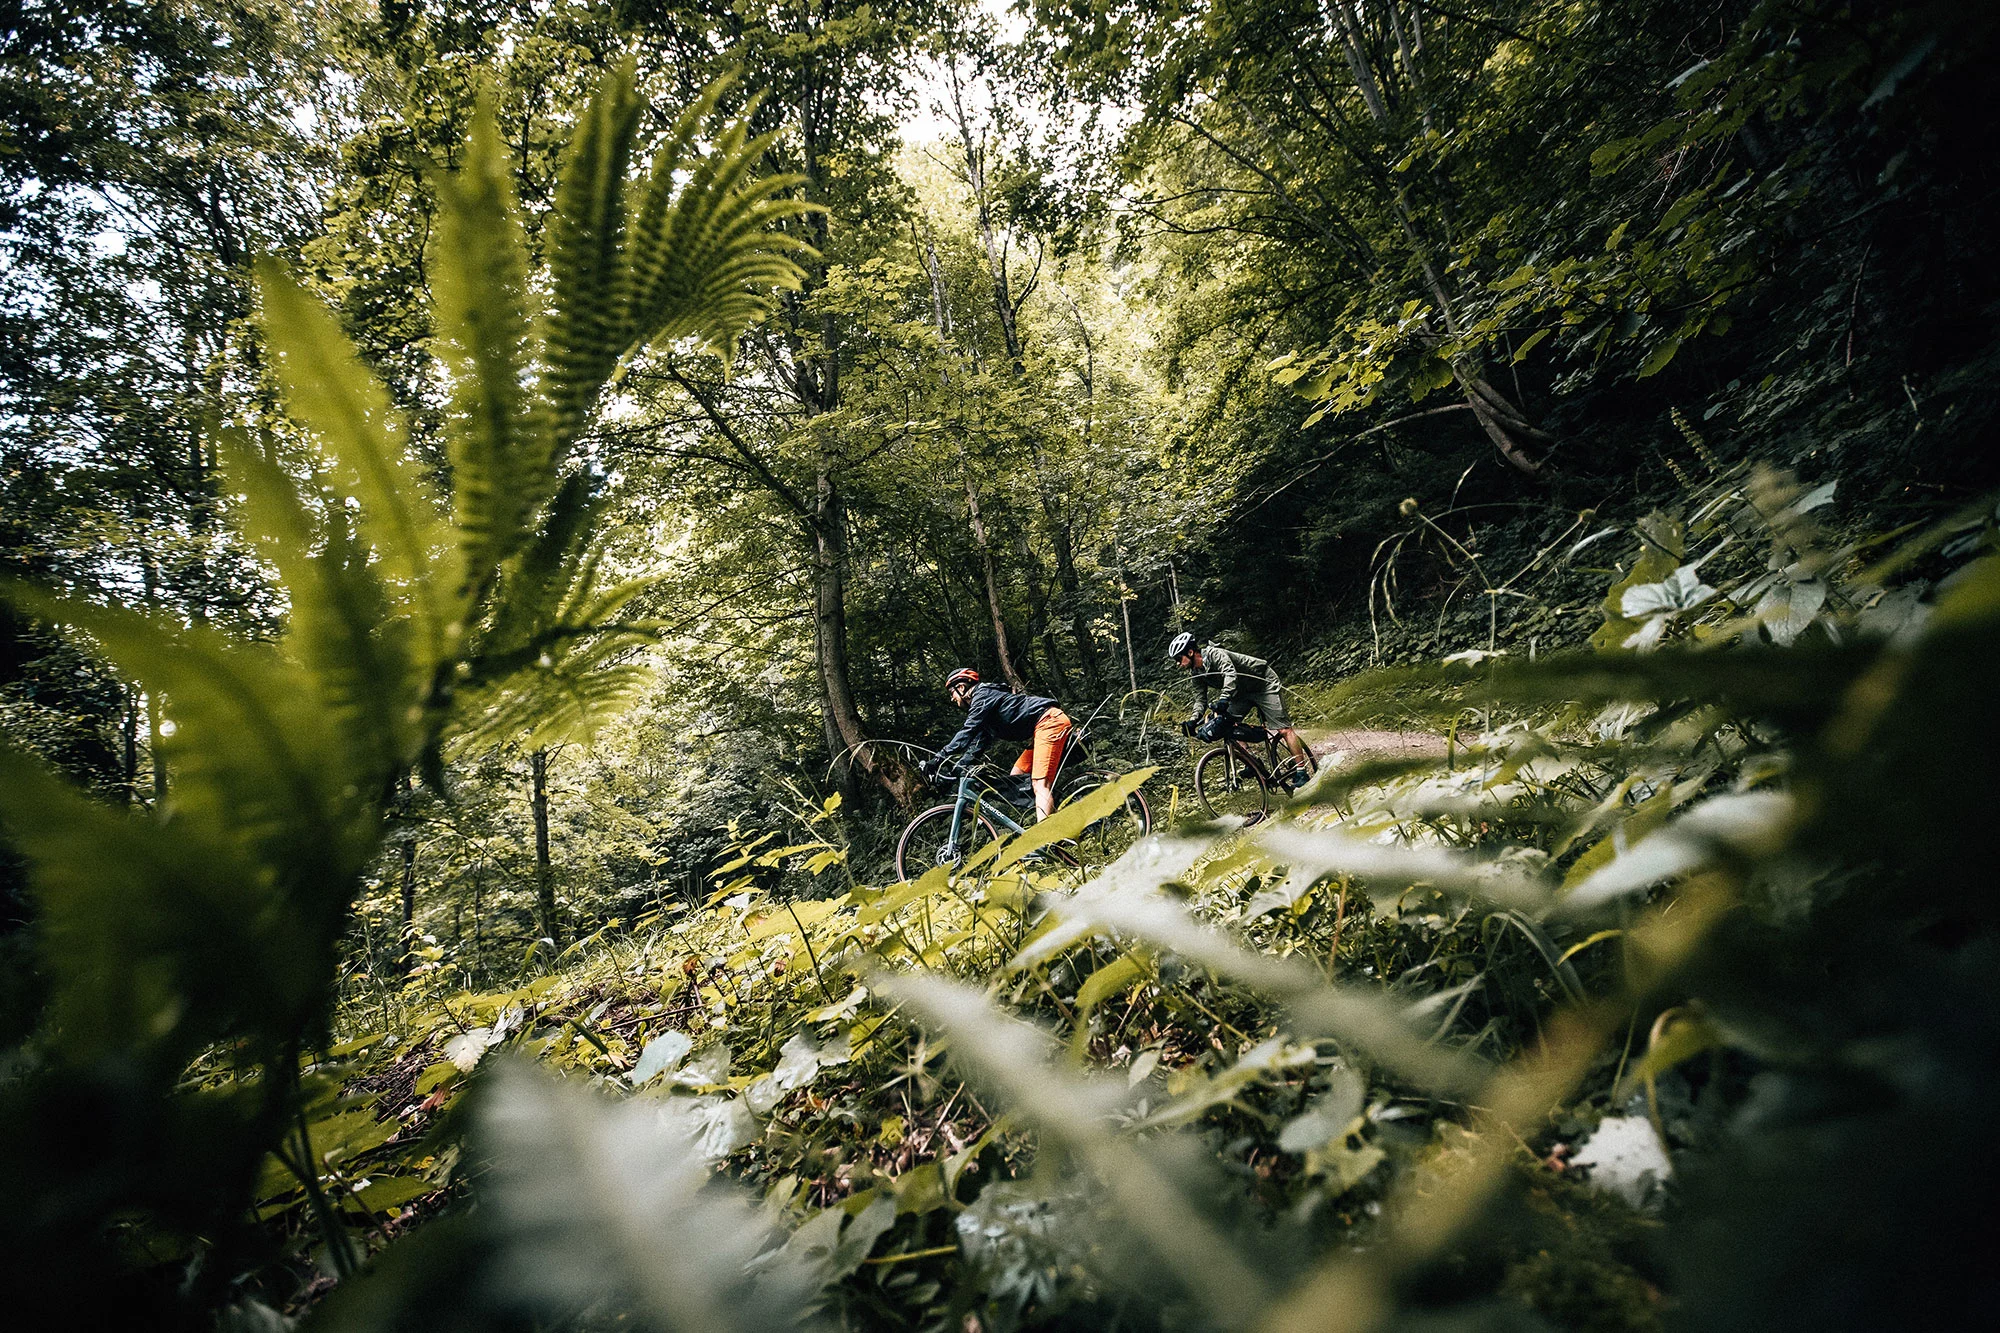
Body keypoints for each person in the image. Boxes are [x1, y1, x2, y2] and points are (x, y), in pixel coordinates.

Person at [925, 667, 1073, 820]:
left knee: (1040, 783)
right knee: (1016, 777)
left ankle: (1048, 839)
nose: (952, 698)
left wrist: (939, 757)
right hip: (1042, 727)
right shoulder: (985, 707)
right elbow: (977, 745)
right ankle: (1055, 813)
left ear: (961, 687)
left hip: (1049, 721)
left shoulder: (982, 696)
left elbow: (968, 731)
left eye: (952, 693)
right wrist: (957, 769)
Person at [1168, 632, 1318, 781]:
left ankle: (1301, 771)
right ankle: (1252, 761)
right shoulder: (1196, 674)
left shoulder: (1215, 654)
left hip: (1263, 684)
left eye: (1178, 658)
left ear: (1190, 652)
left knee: (1284, 729)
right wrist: (1193, 720)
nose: (1177, 663)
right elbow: (1200, 699)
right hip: (1241, 693)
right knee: (1225, 723)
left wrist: (1224, 699)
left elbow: (1230, 674)